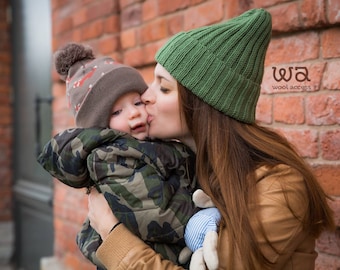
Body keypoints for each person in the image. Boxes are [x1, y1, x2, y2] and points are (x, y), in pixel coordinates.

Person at [87, 8, 335, 270]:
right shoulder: (186, 168)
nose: (145, 96)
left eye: (164, 87)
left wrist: (111, 231)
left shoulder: (280, 188)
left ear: (205, 105)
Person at [37, 43, 198, 269]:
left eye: (137, 102)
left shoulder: (149, 143)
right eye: (117, 112)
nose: (134, 113)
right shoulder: (111, 158)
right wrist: (201, 217)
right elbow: (156, 215)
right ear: (101, 126)